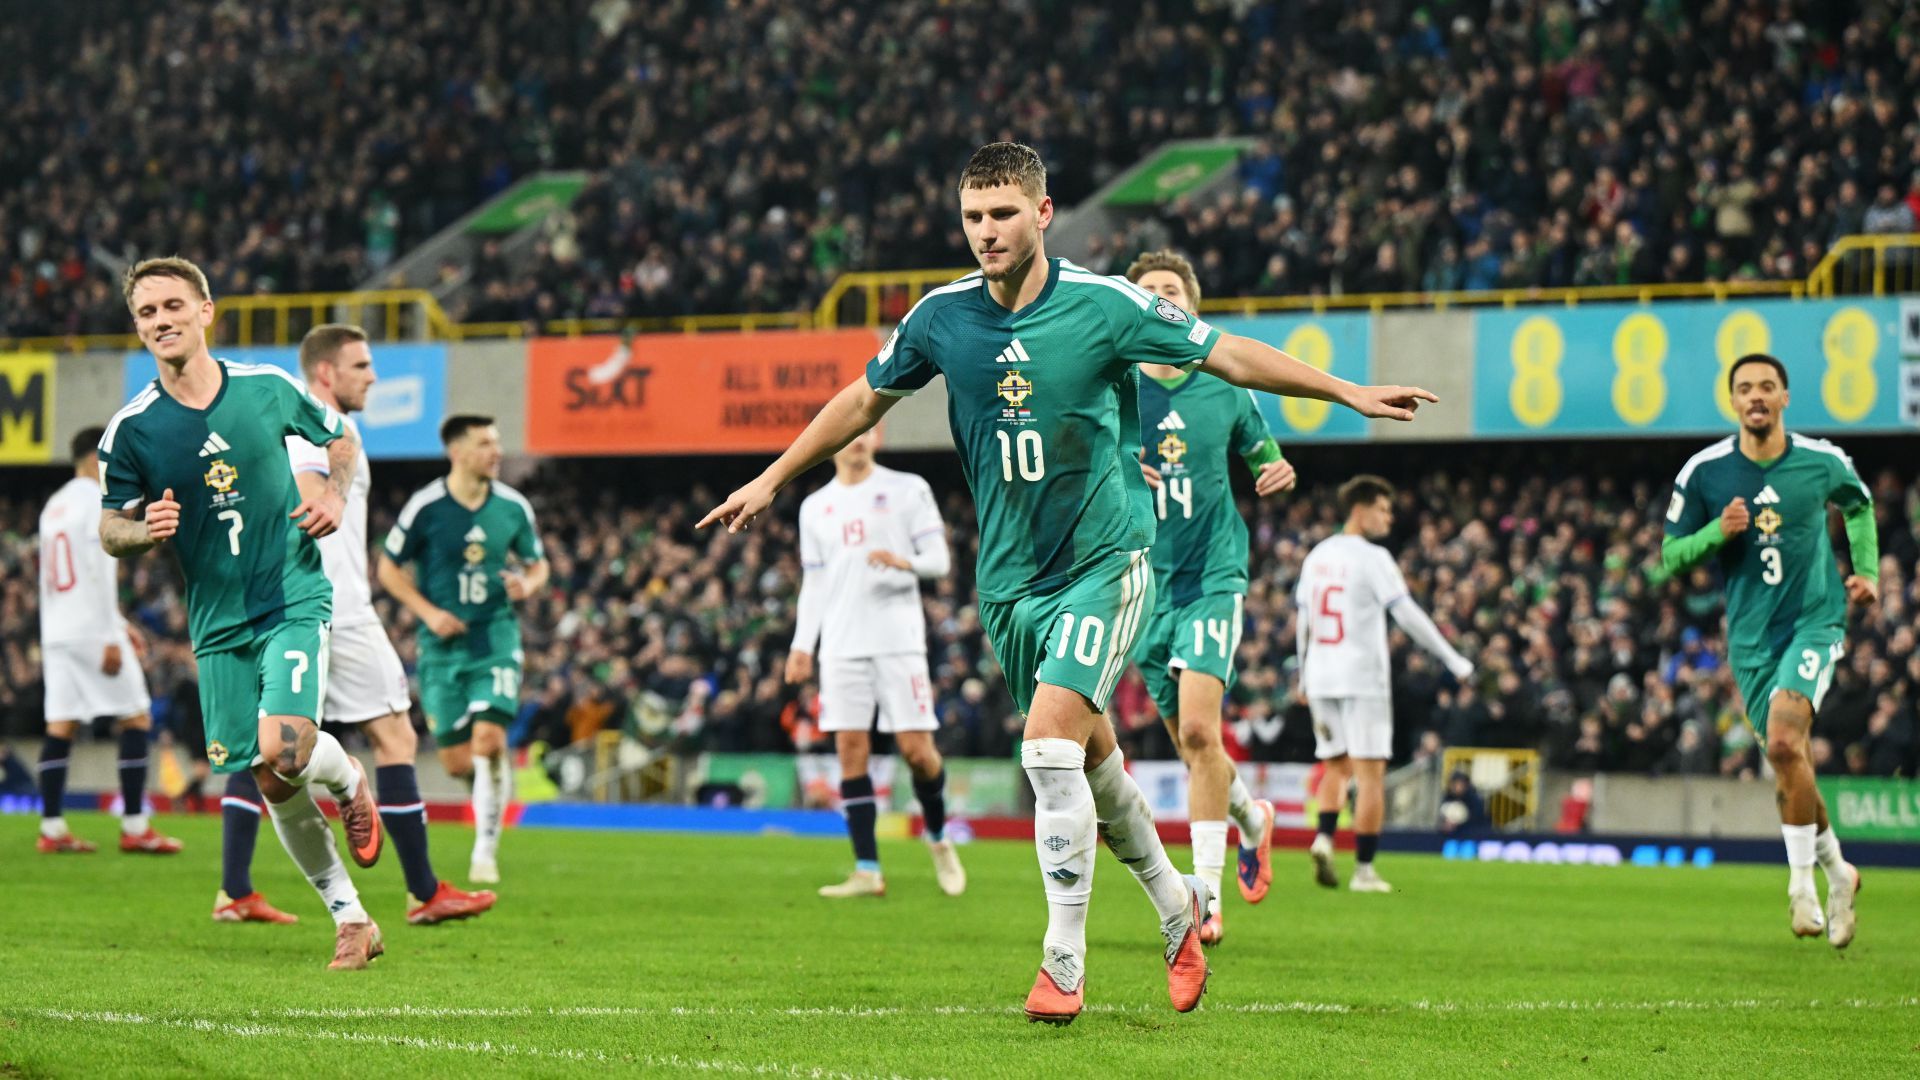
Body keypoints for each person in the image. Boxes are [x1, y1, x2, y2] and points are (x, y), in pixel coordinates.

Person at [700, 142, 1436, 1024]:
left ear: (1043, 213)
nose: (986, 232)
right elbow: (863, 401)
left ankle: (1062, 961)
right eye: (973, 217)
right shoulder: (940, 317)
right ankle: (1177, 907)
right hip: (1010, 584)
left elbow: (1229, 356)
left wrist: (1346, 392)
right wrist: (773, 477)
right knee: (1090, 762)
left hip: (1105, 561)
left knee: (1047, 747)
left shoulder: (1105, 304)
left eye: (1003, 214)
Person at [100, 256, 385, 970]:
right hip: (216, 622)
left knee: (286, 747)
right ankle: (352, 919)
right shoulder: (131, 430)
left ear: (205, 310)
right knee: (270, 778)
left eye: (173, 305)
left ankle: (350, 781)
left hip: (289, 594)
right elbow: (109, 528)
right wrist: (143, 530)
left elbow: (340, 438)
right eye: (146, 312)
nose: (161, 320)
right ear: (138, 327)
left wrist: (334, 495)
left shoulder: (267, 387)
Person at [1661, 353, 1874, 948]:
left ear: (1785, 397)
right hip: (1751, 642)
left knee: (1783, 741)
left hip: (1814, 623)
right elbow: (1670, 556)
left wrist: (1866, 570)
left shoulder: (1821, 460)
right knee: (1790, 761)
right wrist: (1717, 533)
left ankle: (1801, 886)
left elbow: (1859, 503)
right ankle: (1840, 873)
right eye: (1745, 388)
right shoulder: (1704, 471)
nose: (1756, 395)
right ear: (1732, 401)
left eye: (1767, 386)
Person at [287, 325, 497, 924]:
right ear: (326, 372)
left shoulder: (303, 426)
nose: (373, 376)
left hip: (299, 605)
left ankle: (235, 887)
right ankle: (418, 885)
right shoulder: (320, 426)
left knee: (277, 753)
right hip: (336, 606)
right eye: (361, 365)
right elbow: (308, 495)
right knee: (390, 740)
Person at [1124, 251, 1289, 945]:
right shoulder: (1116, 386)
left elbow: (1264, 454)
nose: (1161, 298)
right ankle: (1253, 817)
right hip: (1142, 587)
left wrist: (1275, 469)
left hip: (1211, 580)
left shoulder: (1223, 385)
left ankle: (1207, 898)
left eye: (1172, 290)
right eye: (1149, 291)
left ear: (1190, 309)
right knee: (1195, 750)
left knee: (1199, 732)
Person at [785, 427, 964, 898]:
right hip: (840, 645)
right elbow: (815, 584)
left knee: (917, 752)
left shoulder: (907, 488)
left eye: (866, 431)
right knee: (849, 749)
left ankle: (938, 835)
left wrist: (906, 563)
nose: (858, 439)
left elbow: (940, 561)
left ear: (878, 437)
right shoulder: (815, 506)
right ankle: (867, 868)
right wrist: (802, 646)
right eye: (849, 432)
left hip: (898, 641)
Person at [378, 415, 549, 886]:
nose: (496, 451)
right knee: (457, 762)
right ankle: (490, 792)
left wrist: (528, 584)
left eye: (497, 442)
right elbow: (388, 569)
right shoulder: (426, 506)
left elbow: (538, 564)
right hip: (441, 649)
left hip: (494, 639)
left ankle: (485, 851)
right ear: (457, 452)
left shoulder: (512, 507)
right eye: (485, 443)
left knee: (489, 741)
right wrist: (428, 612)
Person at [1296, 475, 1473, 893]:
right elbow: (1406, 613)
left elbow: (1304, 620)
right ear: (1360, 510)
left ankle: (1324, 838)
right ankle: (1364, 870)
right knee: (1370, 773)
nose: (1389, 518)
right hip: (1362, 676)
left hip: (1320, 674)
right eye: (1383, 509)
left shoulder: (1317, 555)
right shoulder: (1373, 557)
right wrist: (1452, 658)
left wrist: (1303, 673)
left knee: (1335, 766)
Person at [35, 425, 183, 856]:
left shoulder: (54, 505)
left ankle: (52, 827)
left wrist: (120, 623)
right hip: (91, 629)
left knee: (60, 725)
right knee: (136, 717)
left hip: (57, 631)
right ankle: (135, 825)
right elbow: (98, 572)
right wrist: (110, 634)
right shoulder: (94, 502)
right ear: (93, 458)